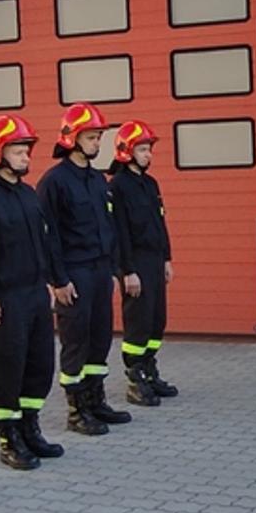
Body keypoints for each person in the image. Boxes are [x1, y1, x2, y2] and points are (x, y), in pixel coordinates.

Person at [0, 114, 65, 469]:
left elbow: (45, 242)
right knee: (10, 366)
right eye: (19, 151)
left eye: (26, 151)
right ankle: (8, 437)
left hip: (35, 294)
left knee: (40, 365)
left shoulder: (28, 194)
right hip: (4, 300)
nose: (26, 158)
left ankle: (30, 428)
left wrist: (51, 283)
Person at [38, 102, 134, 434]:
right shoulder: (54, 182)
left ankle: (96, 401)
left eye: (98, 138)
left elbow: (109, 226)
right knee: (76, 342)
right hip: (73, 274)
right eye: (91, 138)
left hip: (99, 272)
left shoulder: (97, 180)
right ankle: (76, 410)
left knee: (99, 339)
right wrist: (58, 279)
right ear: (72, 138)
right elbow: (48, 235)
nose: (97, 144)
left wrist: (113, 269)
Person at [108, 119, 179, 405]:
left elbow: (160, 223)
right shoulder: (118, 187)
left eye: (149, 149)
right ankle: (135, 378)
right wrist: (128, 271)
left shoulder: (150, 184)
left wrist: (167, 258)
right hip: (135, 262)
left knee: (156, 319)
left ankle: (150, 370)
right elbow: (120, 231)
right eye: (143, 149)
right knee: (138, 321)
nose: (148, 155)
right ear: (127, 151)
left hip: (153, 260)